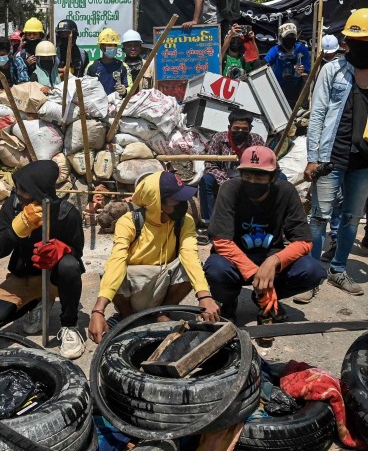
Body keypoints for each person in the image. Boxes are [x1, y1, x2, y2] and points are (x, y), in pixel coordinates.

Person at [306, 8, 368, 296]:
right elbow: (318, 114)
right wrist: (312, 158)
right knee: (319, 218)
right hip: (330, 158)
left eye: (364, 41)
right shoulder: (332, 71)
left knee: (351, 217)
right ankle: (310, 275)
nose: (356, 45)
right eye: (353, 40)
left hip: (364, 160)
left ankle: (338, 269)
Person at [89, 171, 218, 343]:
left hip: (163, 282)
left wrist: (205, 296)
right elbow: (117, 260)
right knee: (111, 271)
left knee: (189, 267)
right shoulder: (129, 222)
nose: (183, 204)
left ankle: (162, 312)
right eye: (176, 200)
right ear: (157, 202)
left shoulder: (184, 221)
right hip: (133, 286)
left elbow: (190, 256)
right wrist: (98, 310)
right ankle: (128, 316)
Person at [205, 146, 326, 322]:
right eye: (247, 176)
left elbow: (304, 241)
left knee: (313, 271)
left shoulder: (286, 191)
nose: (253, 182)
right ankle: (229, 301)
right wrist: (257, 276)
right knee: (215, 268)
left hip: (271, 256)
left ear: (273, 177)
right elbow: (221, 241)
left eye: (260, 177)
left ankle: (265, 299)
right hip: (235, 259)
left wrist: (274, 261)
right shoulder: (229, 189)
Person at [0, 161, 86, 359]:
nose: (18, 193)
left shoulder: (67, 213)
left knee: (69, 266)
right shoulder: (12, 207)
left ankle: (70, 325)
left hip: (55, 278)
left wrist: (64, 250)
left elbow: (77, 254)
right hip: (25, 276)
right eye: (17, 188)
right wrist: (18, 227)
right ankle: (38, 302)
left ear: (40, 192)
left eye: (24, 190)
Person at [198, 109, 263, 243]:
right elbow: (210, 164)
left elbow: (266, 162)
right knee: (206, 180)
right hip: (224, 177)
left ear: (250, 129)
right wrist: (226, 182)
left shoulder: (256, 140)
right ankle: (209, 226)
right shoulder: (219, 138)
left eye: (244, 129)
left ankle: (273, 225)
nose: (240, 131)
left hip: (250, 178)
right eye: (236, 128)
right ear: (229, 127)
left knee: (280, 179)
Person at [265, 22, 312, 108]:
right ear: (281, 37)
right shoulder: (275, 50)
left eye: (292, 36)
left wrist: (302, 71)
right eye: (287, 36)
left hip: (297, 86)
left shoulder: (302, 49)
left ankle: (302, 106)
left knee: (306, 79)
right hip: (279, 86)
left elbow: (307, 72)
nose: (290, 39)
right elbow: (264, 64)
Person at [85, 28, 130, 96]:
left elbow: (130, 87)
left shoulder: (123, 66)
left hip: (117, 102)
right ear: (101, 47)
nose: (112, 48)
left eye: (114, 45)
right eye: (109, 45)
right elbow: (85, 88)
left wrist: (125, 90)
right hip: (97, 102)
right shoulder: (92, 66)